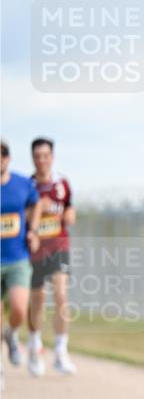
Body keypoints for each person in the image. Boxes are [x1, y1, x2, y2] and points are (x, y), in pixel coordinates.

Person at [27, 137, 76, 376]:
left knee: (61, 295)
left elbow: (70, 209)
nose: (41, 160)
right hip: (35, 251)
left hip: (59, 246)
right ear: (33, 159)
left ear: (52, 157)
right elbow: (19, 215)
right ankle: (34, 344)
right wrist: (36, 210)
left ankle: (60, 351)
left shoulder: (62, 183)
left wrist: (69, 215)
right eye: (37, 156)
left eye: (45, 155)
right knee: (38, 300)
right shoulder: (28, 186)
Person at [1, 139, 41, 388]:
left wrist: (33, 231)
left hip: (17, 259)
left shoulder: (22, 183)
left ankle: (12, 334)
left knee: (18, 307)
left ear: (8, 158)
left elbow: (36, 203)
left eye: (3, 154)